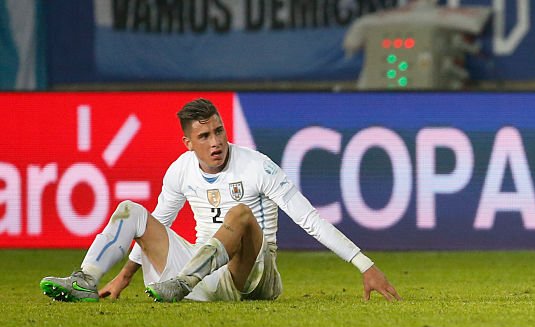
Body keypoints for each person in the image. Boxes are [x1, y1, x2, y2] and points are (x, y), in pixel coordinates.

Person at [40, 98, 400, 304]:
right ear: (188, 143)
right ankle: (86, 279)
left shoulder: (258, 166)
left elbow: (310, 220)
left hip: (254, 274)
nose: (215, 142)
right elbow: (156, 225)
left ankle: (181, 286)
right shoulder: (180, 170)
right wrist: (122, 279)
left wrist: (364, 264)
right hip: (203, 272)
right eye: (204, 136)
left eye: (219, 131)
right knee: (132, 211)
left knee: (240, 214)